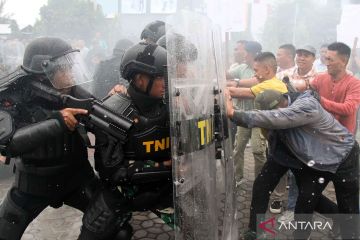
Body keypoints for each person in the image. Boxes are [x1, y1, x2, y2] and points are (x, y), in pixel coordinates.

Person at [225, 89, 359, 240]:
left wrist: (234, 114)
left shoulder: (306, 105)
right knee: (265, 186)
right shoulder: (280, 118)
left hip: (342, 156)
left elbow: (278, 118)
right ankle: (256, 230)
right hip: (299, 155)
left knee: (341, 207)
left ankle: (344, 226)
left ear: (281, 105)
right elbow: (273, 120)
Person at [0, 37, 99, 240]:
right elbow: (8, 144)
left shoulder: (71, 91)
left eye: (71, 68)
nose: (71, 75)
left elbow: (100, 112)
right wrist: (57, 122)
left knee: (116, 227)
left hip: (77, 178)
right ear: (45, 73)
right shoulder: (15, 96)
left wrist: (119, 99)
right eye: (65, 69)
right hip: (31, 184)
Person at [79, 42, 172, 240]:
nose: (167, 82)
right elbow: (111, 171)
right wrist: (168, 166)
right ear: (140, 79)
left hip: (167, 186)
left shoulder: (171, 105)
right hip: (125, 192)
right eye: (160, 77)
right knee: (99, 229)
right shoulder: (114, 112)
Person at [227, 52, 288, 214]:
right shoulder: (269, 82)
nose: (254, 74)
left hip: (281, 135)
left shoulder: (271, 85)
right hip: (269, 128)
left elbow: (240, 93)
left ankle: (278, 197)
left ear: (267, 69)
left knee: (276, 159)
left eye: (256, 70)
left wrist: (219, 90)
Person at [276, 45, 318, 222]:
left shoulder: (319, 77)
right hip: (287, 129)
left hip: (310, 132)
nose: (301, 57)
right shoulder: (284, 74)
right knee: (292, 170)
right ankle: (292, 208)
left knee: (306, 173)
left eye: (306, 55)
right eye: (299, 54)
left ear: (313, 58)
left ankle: (305, 208)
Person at [226, 41, 266, 187]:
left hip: (259, 116)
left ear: (253, 54)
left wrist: (236, 84)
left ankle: (261, 181)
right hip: (243, 115)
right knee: (238, 148)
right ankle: (238, 177)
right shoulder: (242, 67)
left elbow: (255, 83)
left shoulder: (263, 69)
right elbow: (229, 76)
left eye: (245, 52)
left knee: (257, 150)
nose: (243, 54)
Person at [311, 41, 360, 134]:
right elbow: (308, 94)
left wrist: (321, 100)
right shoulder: (319, 78)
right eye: (326, 59)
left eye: (331, 60)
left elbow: (348, 109)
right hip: (320, 133)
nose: (327, 63)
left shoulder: (355, 84)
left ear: (344, 61)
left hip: (343, 137)